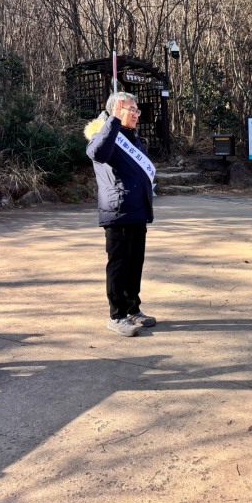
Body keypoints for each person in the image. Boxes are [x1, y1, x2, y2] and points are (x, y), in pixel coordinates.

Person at [85, 91, 157, 337]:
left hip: (138, 211)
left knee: (135, 263)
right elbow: (98, 154)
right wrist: (113, 122)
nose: (136, 113)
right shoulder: (103, 135)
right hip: (117, 212)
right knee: (118, 266)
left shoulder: (135, 140)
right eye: (131, 109)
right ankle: (117, 315)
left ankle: (133, 309)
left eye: (137, 109)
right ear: (116, 110)